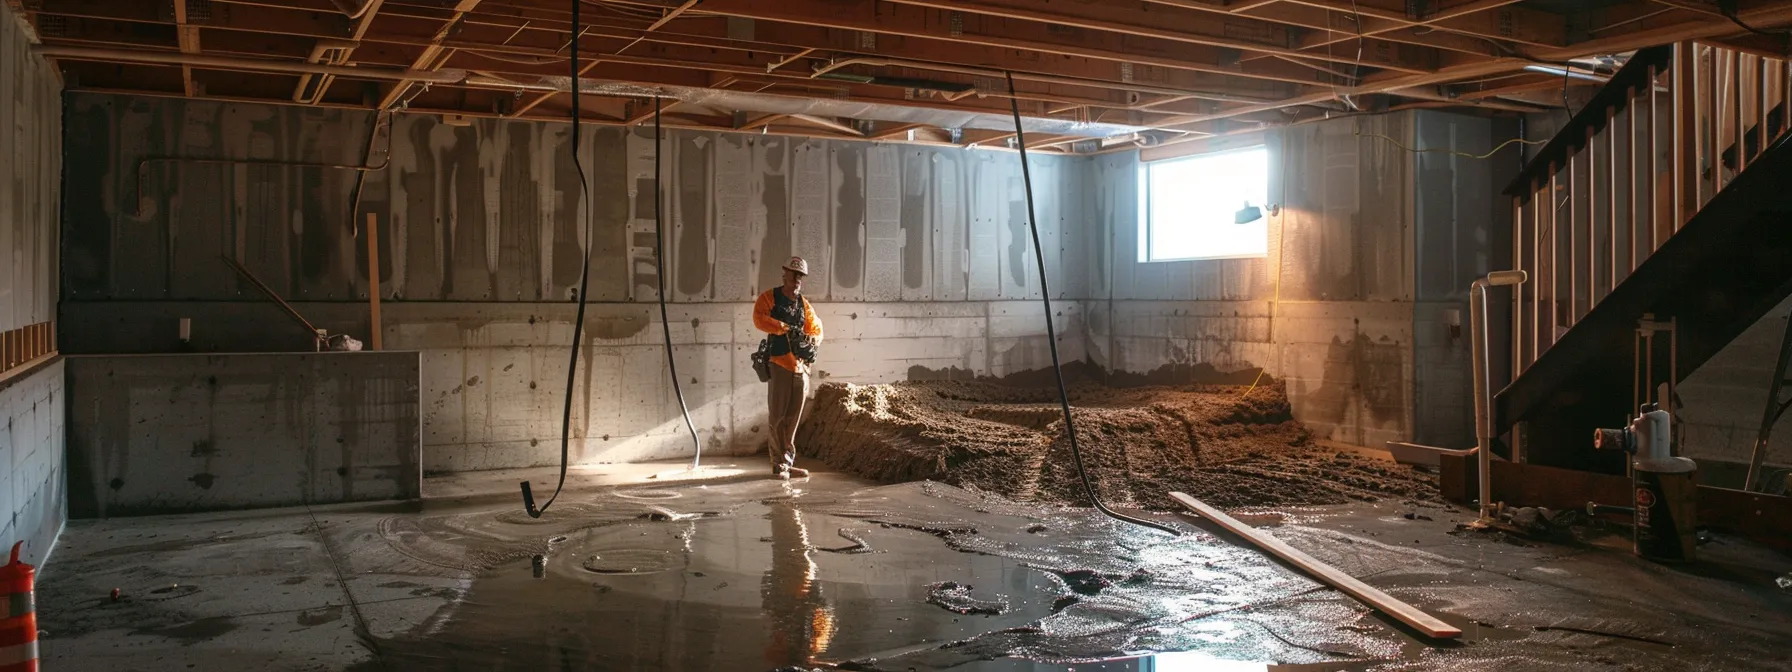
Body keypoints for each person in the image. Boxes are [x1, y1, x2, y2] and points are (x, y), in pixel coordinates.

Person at [753, 256, 824, 479]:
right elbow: (759, 318)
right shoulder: (769, 298)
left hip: (800, 369)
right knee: (777, 418)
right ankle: (778, 465)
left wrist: (809, 340)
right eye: (794, 274)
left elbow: (817, 329)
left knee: (792, 419)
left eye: (800, 276)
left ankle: (787, 462)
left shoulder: (803, 304)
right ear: (785, 274)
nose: (797, 279)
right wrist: (783, 327)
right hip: (780, 364)